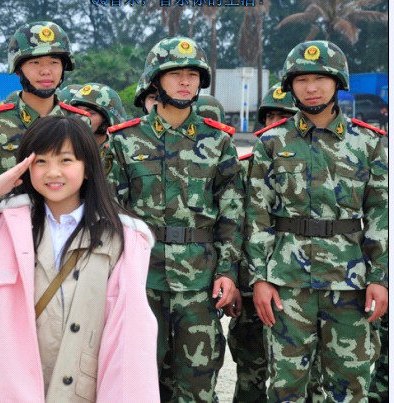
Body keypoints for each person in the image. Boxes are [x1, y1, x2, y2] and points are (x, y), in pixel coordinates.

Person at [0, 115, 159, 402]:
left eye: (66, 160)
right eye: (41, 161)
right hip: (11, 389)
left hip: (83, 386)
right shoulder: (6, 226)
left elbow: (128, 335)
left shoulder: (122, 237)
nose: (53, 172)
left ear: (88, 168)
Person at [246, 40, 388, 402]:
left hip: (350, 283)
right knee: (286, 387)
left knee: (351, 386)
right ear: (290, 86)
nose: (311, 88)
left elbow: (380, 214)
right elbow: (258, 215)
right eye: (302, 80)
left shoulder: (368, 142)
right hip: (287, 285)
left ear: (337, 82)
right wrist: (260, 278)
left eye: (320, 79)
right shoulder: (271, 142)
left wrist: (380, 278)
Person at [108, 36, 243, 402]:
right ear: (156, 80)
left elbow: (232, 213)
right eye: (175, 74)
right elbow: (111, 214)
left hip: (200, 282)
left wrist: (228, 272)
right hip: (141, 280)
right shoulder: (124, 141)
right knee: (137, 383)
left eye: (192, 75)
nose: (185, 81)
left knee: (197, 384)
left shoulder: (218, 142)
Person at [226, 81, 297, 403]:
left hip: (296, 284)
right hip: (249, 286)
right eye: (270, 116)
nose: (276, 122)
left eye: (285, 116)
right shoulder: (241, 168)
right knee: (250, 372)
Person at [0, 21, 91, 180]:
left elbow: (91, 183)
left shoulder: (80, 121)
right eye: (35, 63)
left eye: (54, 62)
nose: (46, 71)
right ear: (18, 70)